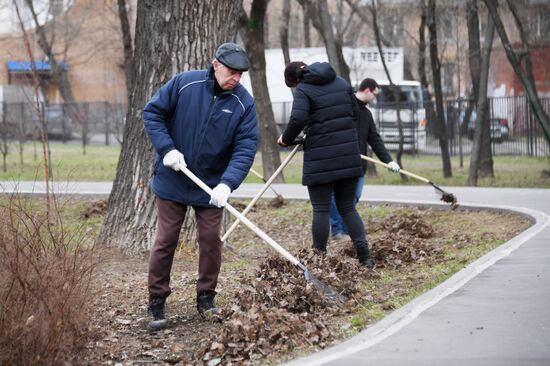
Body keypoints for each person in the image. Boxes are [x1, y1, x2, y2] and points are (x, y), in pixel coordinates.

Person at [142, 43, 259, 330]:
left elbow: (245, 148)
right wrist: (167, 149)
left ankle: (206, 297)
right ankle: (157, 301)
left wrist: (227, 184)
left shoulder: (243, 103)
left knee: (210, 241)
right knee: (166, 239)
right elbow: (152, 113)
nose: (236, 79)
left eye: (240, 74)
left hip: (210, 186)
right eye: (231, 72)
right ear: (216, 65)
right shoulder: (185, 84)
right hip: (173, 179)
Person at [277, 61, 374, 269]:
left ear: (295, 80)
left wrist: (286, 138)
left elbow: (298, 118)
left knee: (320, 210)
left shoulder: (304, 89)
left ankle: (319, 260)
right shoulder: (340, 82)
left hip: (320, 158)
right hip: (348, 154)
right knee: (348, 208)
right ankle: (365, 258)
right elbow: (355, 115)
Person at [330, 78, 401, 241]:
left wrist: (388, 161)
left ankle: (347, 230)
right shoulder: (346, 106)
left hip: (359, 165)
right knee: (336, 198)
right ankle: (337, 230)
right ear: (368, 90)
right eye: (375, 94)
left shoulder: (367, 114)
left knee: (354, 197)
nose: (375, 98)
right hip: (342, 162)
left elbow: (374, 139)